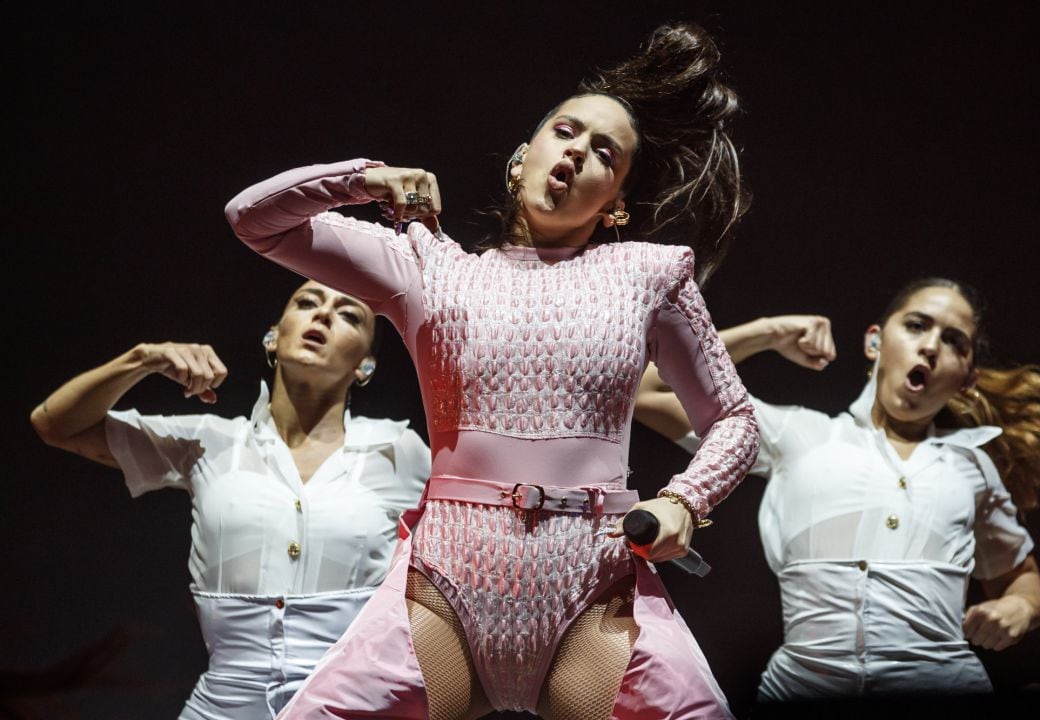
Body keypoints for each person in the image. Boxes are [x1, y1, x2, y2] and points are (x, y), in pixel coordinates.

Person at [224, 21, 759, 720]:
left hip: (593, 586)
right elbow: (253, 220)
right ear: (521, 158)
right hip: (445, 586)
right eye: (566, 131)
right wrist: (362, 180)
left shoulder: (649, 274)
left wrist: (685, 500)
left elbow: (735, 420)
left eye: (605, 153)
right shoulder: (425, 264)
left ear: (616, 201)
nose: (577, 153)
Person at [634, 279, 1040, 705]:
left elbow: (1024, 582)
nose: (931, 347)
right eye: (917, 325)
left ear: (967, 378)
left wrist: (1019, 609)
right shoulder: (801, 436)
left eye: (954, 341)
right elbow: (645, 388)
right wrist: (767, 333)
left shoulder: (971, 468)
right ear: (875, 342)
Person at [29, 280, 431, 719]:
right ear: (273, 338)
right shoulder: (211, 442)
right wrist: (142, 359)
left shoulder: (400, 451)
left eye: (349, 315)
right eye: (307, 302)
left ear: (365, 366)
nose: (323, 315)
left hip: (350, 710)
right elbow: (56, 425)